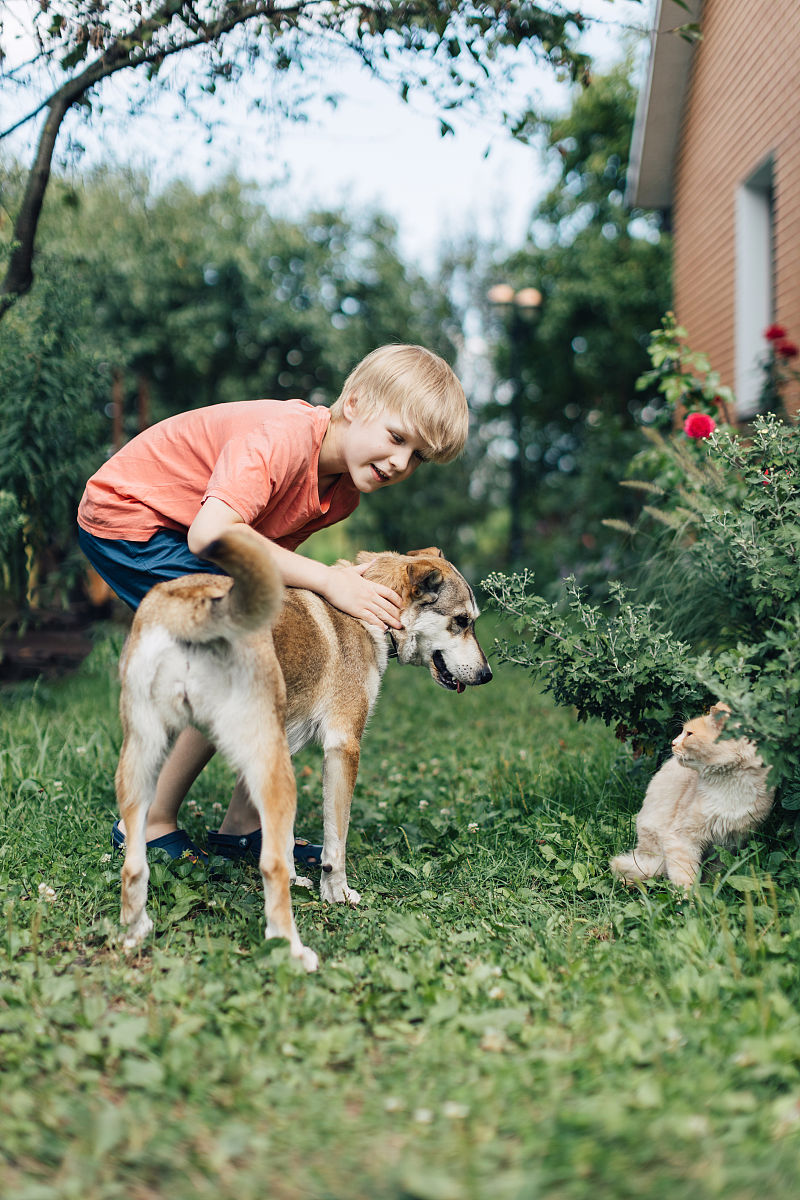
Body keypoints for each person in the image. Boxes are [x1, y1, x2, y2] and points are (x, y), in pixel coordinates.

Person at [77, 343, 469, 868]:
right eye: (397, 437)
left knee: (274, 640)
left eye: (417, 456)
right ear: (354, 403)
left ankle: (244, 826)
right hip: (132, 519)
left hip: (182, 531)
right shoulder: (283, 438)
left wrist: (335, 587)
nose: (401, 462)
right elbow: (211, 534)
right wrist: (329, 581)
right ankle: (148, 823)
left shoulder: (342, 492)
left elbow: (269, 561)